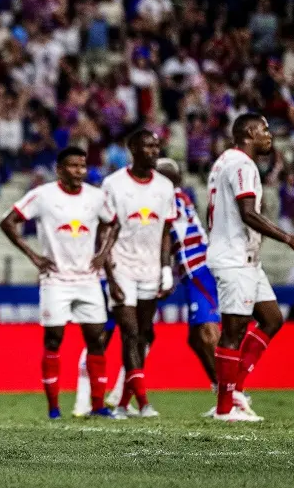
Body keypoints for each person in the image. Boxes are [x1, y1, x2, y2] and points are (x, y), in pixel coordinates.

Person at [206, 113, 294, 422]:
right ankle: (224, 409)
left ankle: (235, 391)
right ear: (248, 133)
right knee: (233, 331)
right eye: (264, 130)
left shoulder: (223, 162)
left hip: (245, 258)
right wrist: (289, 239)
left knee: (271, 318)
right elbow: (248, 213)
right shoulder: (242, 164)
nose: (269, 135)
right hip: (234, 259)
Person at [0, 146, 118, 419]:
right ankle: (53, 408)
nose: (79, 171)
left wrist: (103, 255)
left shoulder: (96, 196)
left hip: (88, 279)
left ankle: (98, 405)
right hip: (55, 280)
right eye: (73, 166)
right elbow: (8, 222)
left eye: (83, 166)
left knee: (97, 340)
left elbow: (114, 223)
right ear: (60, 169)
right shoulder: (43, 195)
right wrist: (34, 256)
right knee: (54, 340)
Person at [99, 130, 176, 418]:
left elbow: (166, 231)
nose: (154, 151)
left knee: (143, 335)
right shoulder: (113, 184)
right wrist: (109, 275)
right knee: (130, 332)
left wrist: (166, 269)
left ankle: (122, 403)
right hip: (121, 268)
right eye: (148, 146)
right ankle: (143, 402)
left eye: (157, 146)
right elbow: (104, 231)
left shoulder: (165, 187)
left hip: (151, 269)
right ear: (132, 149)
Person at [156, 158, 220, 406]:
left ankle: (233, 392)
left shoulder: (169, 199)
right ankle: (221, 389)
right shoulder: (179, 196)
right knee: (194, 339)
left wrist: (162, 273)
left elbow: (162, 237)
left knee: (208, 333)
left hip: (198, 267)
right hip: (192, 269)